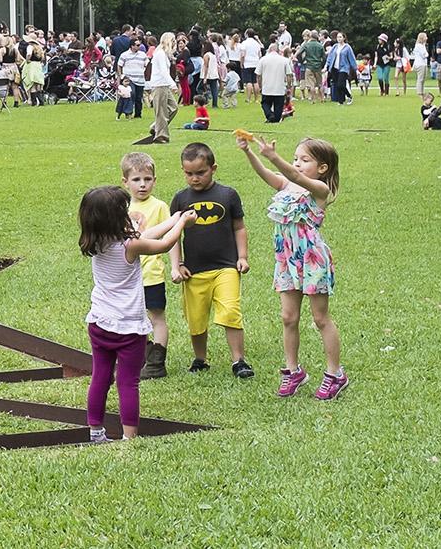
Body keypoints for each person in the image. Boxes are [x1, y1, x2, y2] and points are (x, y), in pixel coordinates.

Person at [77, 185, 194, 443]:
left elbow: (149, 234)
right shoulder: (130, 245)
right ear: (116, 217)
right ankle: (129, 437)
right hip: (128, 328)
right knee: (128, 383)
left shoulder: (96, 241)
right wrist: (183, 223)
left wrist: (172, 219)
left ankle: (95, 431)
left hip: (99, 322)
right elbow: (162, 244)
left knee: (100, 377)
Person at [238, 133, 345, 399]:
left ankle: (335, 374)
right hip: (287, 260)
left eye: (304, 160)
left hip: (312, 260)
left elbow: (297, 178)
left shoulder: (320, 190)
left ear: (322, 168)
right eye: (295, 158)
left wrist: (275, 156)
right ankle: (293, 370)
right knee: (288, 317)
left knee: (320, 318)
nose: (297, 164)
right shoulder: (287, 185)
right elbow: (268, 175)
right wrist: (249, 153)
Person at [166, 141, 253, 377]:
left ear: (213, 168)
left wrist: (242, 257)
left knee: (230, 312)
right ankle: (200, 359)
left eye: (201, 173)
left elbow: (239, 227)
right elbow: (174, 236)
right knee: (196, 319)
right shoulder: (181, 199)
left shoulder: (228, 195)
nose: (195, 178)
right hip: (194, 272)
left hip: (226, 267)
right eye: (189, 173)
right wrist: (177, 264)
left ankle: (239, 361)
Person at [120, 153, 175, 380]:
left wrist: (175, 265)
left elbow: (170, 236)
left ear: (154, 179)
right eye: (136, 180)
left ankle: (156, 363)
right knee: (130, 317)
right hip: (127, 276)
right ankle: (140, 354)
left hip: (152, 274)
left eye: (148, 179)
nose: (143, 184)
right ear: (125, 182)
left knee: (156, 316)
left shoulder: (160, 206)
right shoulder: (120, 206)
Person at [136, 32, 178, 145]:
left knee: (173, 108)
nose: (175, 43)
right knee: (161, 112)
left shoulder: (163, 54)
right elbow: (163, 71)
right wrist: (173, 84)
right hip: (159, 85)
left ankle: (156, 126)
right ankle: (161, 136)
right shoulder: (160, 54)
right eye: (173, 40)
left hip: (164, 85)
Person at [257, 44, 292, 124]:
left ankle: (269, 115)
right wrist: (288, 86)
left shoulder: (263, 59)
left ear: (269, 50)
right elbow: (289, 75)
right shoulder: (284, 60)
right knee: (278, 105)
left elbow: (258, 75)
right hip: (279, 87)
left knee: (265, 104)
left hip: (267, 87)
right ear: (278, 51)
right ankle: (275, 118)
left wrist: (260, 86)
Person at [324, 32, 358, 105]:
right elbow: (329, 58)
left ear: (344, 38)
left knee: (341, 84)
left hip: (344, 68)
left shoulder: (347, 47)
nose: (339, 39)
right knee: (337, 85)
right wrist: (326, 67)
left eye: (340, 37)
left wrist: (356, 69)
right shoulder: (335, 47)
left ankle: (349, 96)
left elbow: (352, 59)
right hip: (335, 68)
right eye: (338, 37)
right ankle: (340, 101)